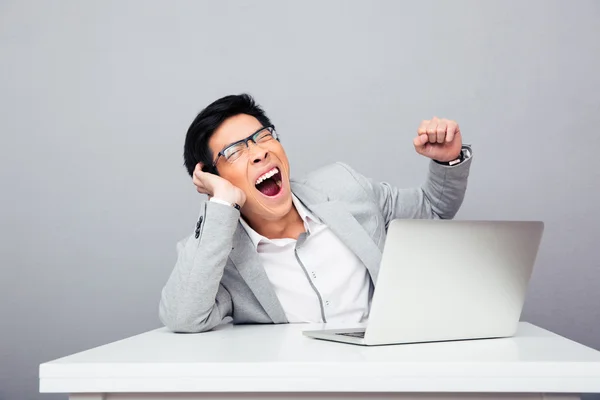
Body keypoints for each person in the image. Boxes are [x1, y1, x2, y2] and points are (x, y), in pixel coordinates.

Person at [159, 93, 472, 333]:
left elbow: (433, 209)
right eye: (235, 151)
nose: (259, 152)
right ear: (213, 177)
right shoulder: (216, 258)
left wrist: (448, 161)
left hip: (385, 376)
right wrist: (222, 202)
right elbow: (184, 317)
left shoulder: (344, 188)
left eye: (263, 137)